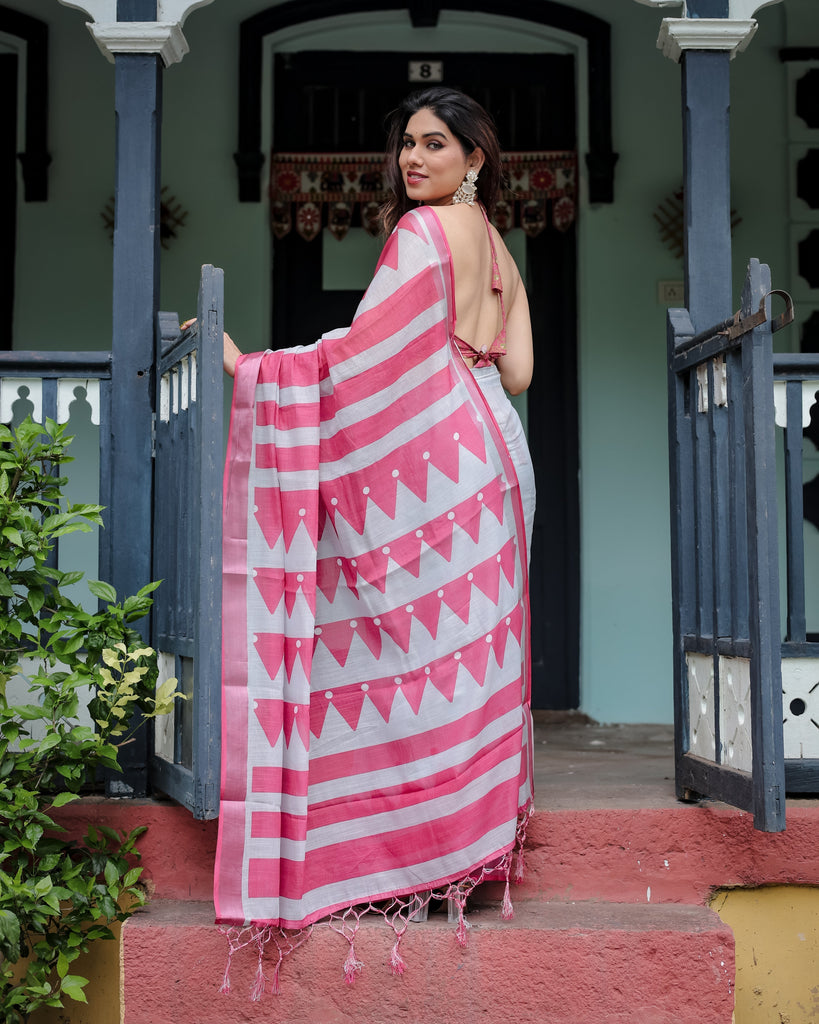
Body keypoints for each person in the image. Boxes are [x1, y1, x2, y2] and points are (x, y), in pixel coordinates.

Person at [215, 87, 536, 996]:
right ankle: (468, 851)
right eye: (406, 146)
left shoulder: (422, 235)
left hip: (430, 457)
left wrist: (257, 371)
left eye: (435, 145)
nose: (413, 160)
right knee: (469, 650)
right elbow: (516, 369)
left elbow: (365, 352)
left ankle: (416, 852)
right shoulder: (497, 246)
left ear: (475, 156)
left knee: (405, 649)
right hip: (489, 452)